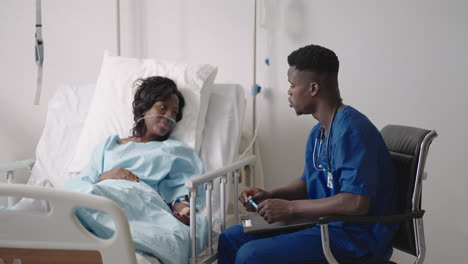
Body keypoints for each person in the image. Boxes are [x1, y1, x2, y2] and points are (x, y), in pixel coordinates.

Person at [218, 44, 398, 264]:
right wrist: (270, 195)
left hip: (355, 237)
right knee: (231, 238)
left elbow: (355, 203)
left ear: (313, 88)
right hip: (323, 225)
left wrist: (290, 208)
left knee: (251, 255)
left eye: (293, 85)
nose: (289, 91)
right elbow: (309, 182)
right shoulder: (319, 131)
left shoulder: (352, 130)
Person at [64, 76, 207, 264]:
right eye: (163, 107)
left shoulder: (175, 151)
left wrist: (184, 209)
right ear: (144, 107)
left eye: (174, 112)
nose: (169, 116)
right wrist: (105, 176)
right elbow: (84, 181)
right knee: (68, 198)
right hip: (99, 192)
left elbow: (182, 191)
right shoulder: (108, 146)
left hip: (139, 200)